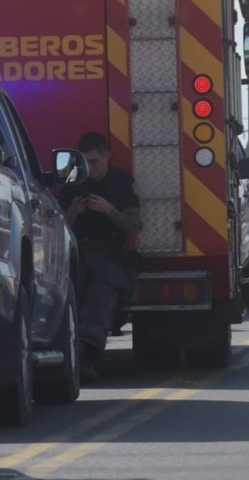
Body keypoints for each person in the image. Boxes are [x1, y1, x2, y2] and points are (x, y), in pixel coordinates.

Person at [58, 132, 142, 382]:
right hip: (76, 256)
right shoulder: (73, 183)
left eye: (95, 162)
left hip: (109, 257)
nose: (90, 169)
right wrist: (72, 212)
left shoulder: (122, 183)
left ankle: (87, 356)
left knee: (100, 296)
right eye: (85, 162)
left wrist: (109, 210)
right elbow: (57, 227)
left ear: (107, 156)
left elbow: (135, 226)